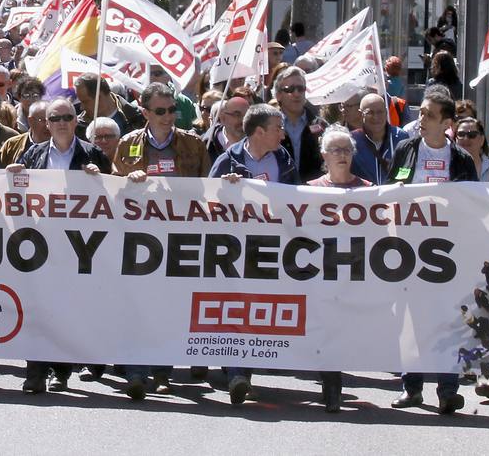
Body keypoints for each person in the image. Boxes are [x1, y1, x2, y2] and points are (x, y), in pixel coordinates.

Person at [109, 82, 212, 399]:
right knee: (139, 305)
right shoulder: (128, 144)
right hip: (140, 239)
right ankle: (137, 371)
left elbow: (208, 188)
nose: (169, 116)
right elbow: (111, 187)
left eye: (172, 110)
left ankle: (164, 370)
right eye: (161, 111)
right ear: (145, 113)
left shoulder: (192, 144)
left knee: (171, 305)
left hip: (181, 237)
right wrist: (127, 181)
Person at [9, 98, 109, 393]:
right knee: (37, 307)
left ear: (76, 120)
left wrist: (100, 179)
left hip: (80, 245)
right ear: (46, 123)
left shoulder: (92, 154)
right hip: (41, 242)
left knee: (67, 309)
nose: (62, 122)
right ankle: (35, 370)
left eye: (67, 116)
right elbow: (18, 196)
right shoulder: (33, 154)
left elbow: (114, 198)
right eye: (55, 118)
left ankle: (61, 372)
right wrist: (13, 176)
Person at [386, 90, 476, 415]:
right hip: (409, 251)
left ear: (447, 123)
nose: (421, 120)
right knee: (412, 320)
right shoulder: (406, 150)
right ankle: (411, 388)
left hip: (445, 255)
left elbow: (473, 206)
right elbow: (387, 192)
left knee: (448, 319)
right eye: (420, 113)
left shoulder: (462, 160)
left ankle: (448, 390)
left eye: (429, 115)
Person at [208, 103, 297, 404]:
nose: (283, 134)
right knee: (235, 306)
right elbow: (205, 202)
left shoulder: (284, 159)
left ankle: (246, 364)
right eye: (278, 128)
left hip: (273, 246)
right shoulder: (227, 160)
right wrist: (223, 188)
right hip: (233, 248)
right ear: (259, 132)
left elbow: (298, 199)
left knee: (261, 305)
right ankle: (237, 372)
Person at [309, 125, 372, 410]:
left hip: (357, 273)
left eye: (347, 149)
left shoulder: (368, 190)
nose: (342, 155)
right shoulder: (309, 190)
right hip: (322, 273)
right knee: (327, 329)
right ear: (324, 155)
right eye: (336, 150)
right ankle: (331, 385)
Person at [273, 67, 323, 179]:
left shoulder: (321, 126)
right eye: (290, 89)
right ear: (278, 95)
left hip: (313, 191)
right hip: (278, 190)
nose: (296, 94)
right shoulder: (267, 126)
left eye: (300, 88)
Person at [351, 93, 410, 184]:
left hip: (393, 196)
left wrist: (400, 181)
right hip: (363, 196)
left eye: (380, 112)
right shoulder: (352, 141)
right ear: (360, 114)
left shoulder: (401, 137)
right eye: (370, 112)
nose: (376, 117)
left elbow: (406, 167)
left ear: (386, 112)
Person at [74, 73, 143, 139]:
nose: (81, 107)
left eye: (85, 102)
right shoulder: (77, 126)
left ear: (99, 97)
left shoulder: (139, 117)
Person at [146, 64, 196, 130]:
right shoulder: (137, 104)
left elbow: (194, 130)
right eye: (148, 74)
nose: (151, 77)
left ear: (168, 76)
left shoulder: (184, 102)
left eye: (157, 73)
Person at [1, 101, 50, 165]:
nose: (47, 125)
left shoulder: (61, 147)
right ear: (31, 121)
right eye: (43, 120)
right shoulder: (12, 145)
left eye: (51, 120)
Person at [205, 96, 249, 163]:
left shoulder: (258, 142)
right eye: (237, 115)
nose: (243, 120)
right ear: (223, 118)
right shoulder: (206, 144)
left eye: (247, 116)